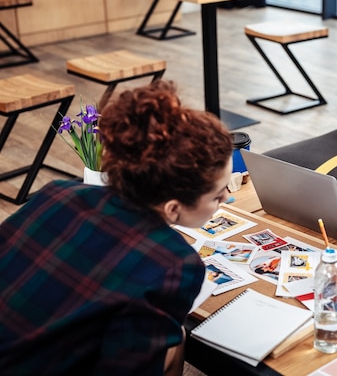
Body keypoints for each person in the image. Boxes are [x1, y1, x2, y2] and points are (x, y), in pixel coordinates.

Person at [0, 80, 233, 376]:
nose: (227, 197)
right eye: (218, 193)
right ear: (173, 207)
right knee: (174, 339)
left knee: (176, 338)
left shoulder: (58, 192)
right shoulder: (173, 264)